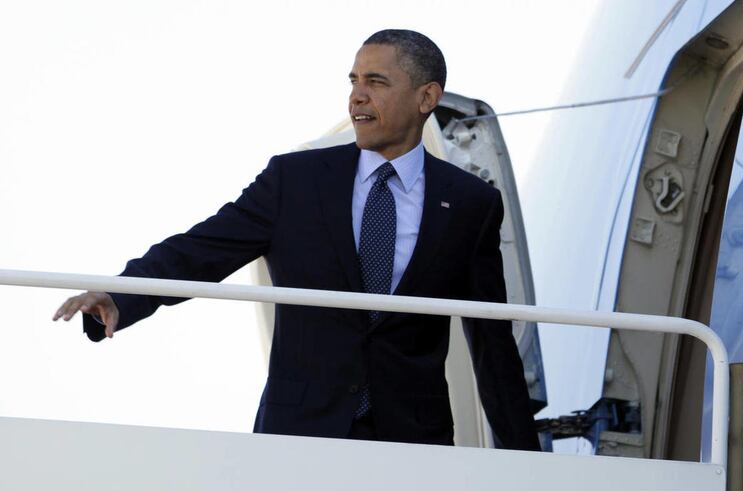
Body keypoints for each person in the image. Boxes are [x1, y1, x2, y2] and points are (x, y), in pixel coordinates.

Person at [52, 29, 540, 451]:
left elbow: (491, 342)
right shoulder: (296, 180)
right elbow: (203, 249)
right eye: (353, 81)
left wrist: (525, 461)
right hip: (299, 436)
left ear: (427, 97)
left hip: (413, 442)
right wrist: (120, 293)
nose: (357, 97)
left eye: (376, 82)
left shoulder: (471, 202)